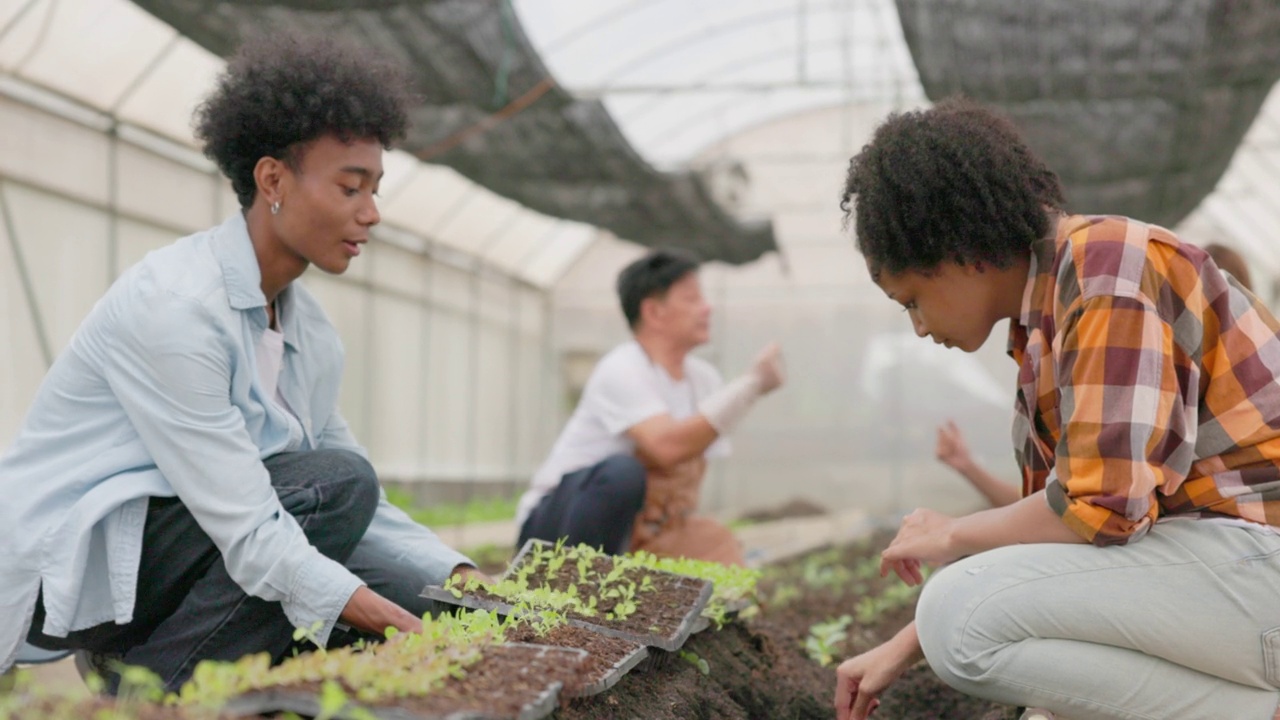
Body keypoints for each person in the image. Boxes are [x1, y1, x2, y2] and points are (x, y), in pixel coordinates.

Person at [0, 34, 483, 693]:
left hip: (194, 542)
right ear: (273, 179)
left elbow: (350, 496)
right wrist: (367, 610)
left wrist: (458, 574)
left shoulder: (305, 327)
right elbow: (259, 518)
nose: (371, 214)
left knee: (428, 596)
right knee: (339, 513)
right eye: (350, 187)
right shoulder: (176, 308)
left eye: (375, 189)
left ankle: (222, 675)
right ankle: (146, 687)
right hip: (92, 566)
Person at [833, 98, 1280, 720]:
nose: (917, 327)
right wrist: (905, 646)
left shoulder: (1106, 273)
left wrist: (952, 537)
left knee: (957, 620)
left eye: (912, 299)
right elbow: (1067, 542)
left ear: (957, 249)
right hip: (1236, 577)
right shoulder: (1045, 320)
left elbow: (1102, 508)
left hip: (1262, 571)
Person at [515, 249, 785, 565]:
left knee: (717, 546)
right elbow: (666, 447)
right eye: (692, 299)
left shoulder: (704, 378)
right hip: (553, 529)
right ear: (654, 312)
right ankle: (570, 590)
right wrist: (751, 385)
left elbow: (689, 473)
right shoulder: (622, 368)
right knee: (621, 473)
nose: (706, 308)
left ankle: (626, 584)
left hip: (636, 529)